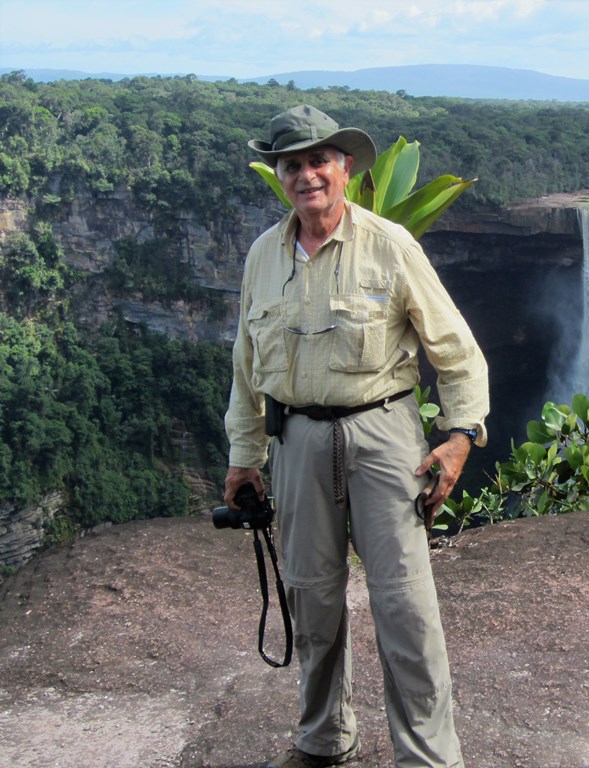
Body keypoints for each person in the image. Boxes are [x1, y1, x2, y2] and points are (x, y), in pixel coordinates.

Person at [223, 104, 488, 768]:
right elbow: (247, 367)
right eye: (293, 163)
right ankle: (324, 738)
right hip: (298, 441)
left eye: (319, 160)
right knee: (310, 598)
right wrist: (244, 457)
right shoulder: (263, 255)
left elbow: (456, 351)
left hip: (383, 437)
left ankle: (428, 756)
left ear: (344, 169)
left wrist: (459, 438)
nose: (307, 174)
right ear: (280, 175)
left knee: (405, 607)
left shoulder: (390, 245)